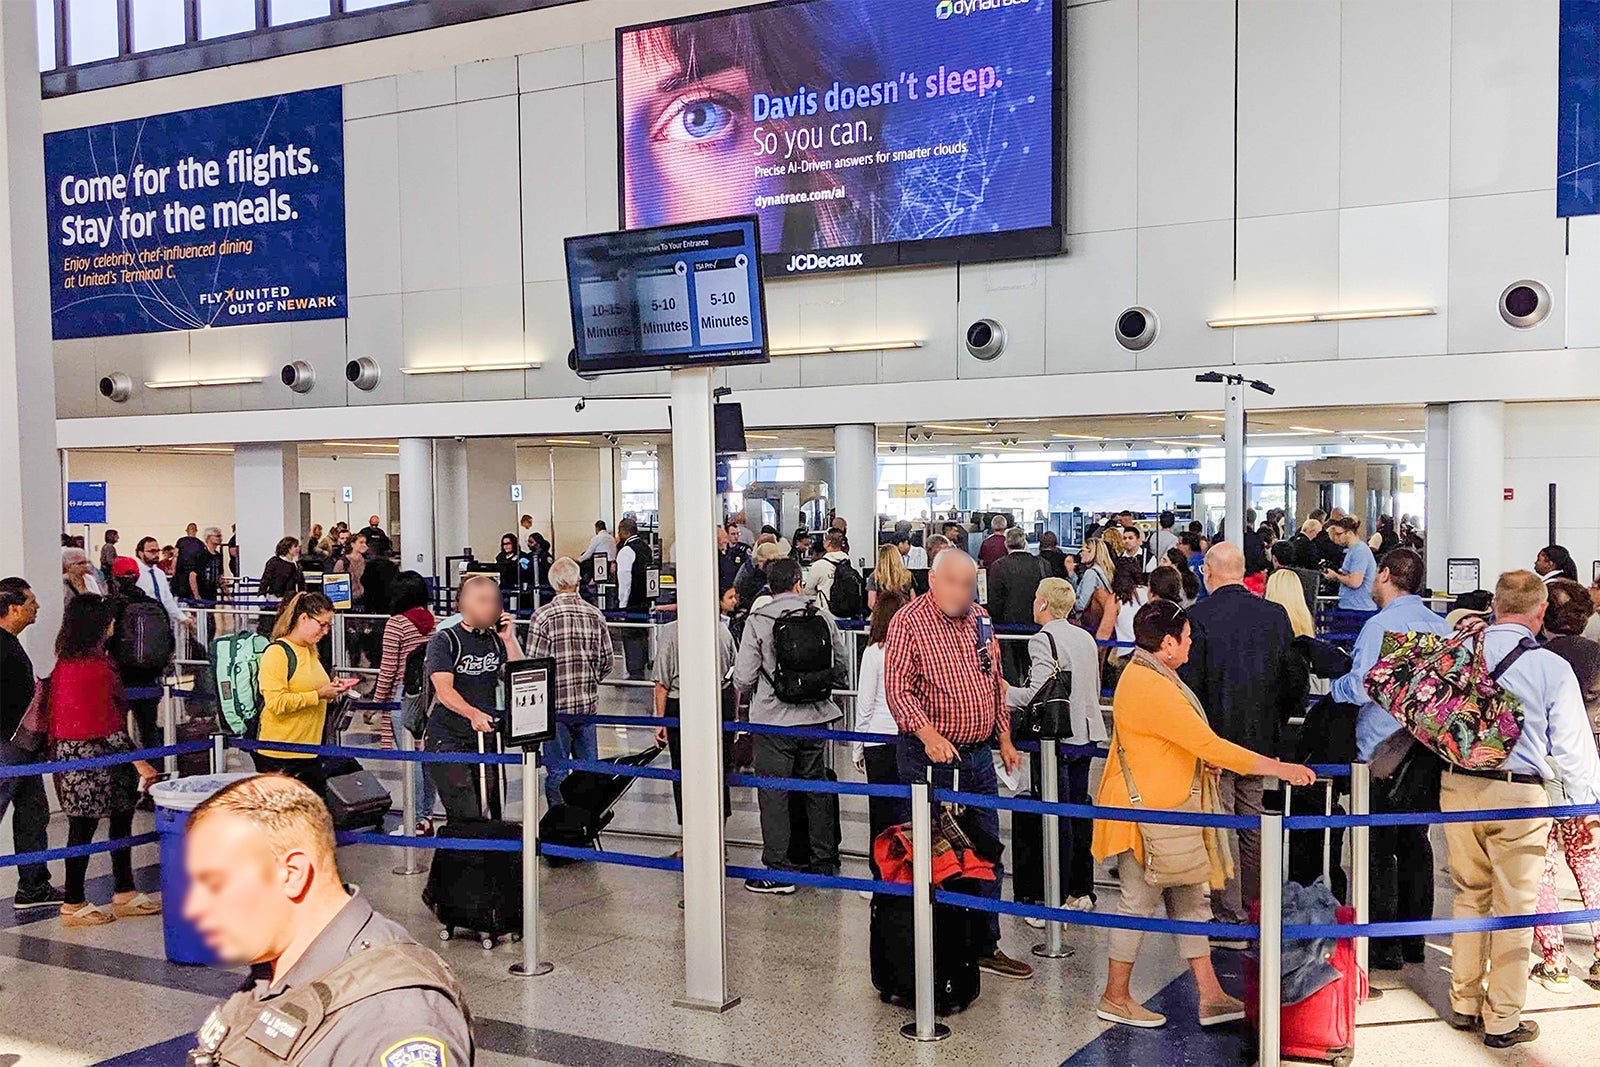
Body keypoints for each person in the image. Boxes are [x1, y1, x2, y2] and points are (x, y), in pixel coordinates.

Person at [1093, 599, 1315, 1028]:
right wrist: (1280, 767)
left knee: (1191, 902)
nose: (1193, 643)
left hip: (1170, 813)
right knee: (1137, 904)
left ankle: (1211, 996)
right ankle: (1114, 997)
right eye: (1188, 636)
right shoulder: (1151, 684)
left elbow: (1176, 742)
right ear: (1169, 643)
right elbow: (1209, 743)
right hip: (1151, 818)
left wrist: (1200, 761)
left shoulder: (1150, 674)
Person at [183, 776, 472, 1066]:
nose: (194, 908)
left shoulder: (391, 1022)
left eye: (214, 883)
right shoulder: (274, 968)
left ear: (292, 873)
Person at [1439, 571, 1600, 1047]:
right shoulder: (1550, 667)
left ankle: (1463, 1003)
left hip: (1457, 786)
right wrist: (1585, 802)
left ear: (1494, 602)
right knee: (1515, 907)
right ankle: (1502, 1019)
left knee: (1469, 895)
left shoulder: (1461, 650)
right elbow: (1572, 748)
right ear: (1539, 611)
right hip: (1519, 795)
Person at [883, 549, 1033, 980]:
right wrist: (928, 734)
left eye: (968, 584)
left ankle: (985, 943)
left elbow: (993, 683)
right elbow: (899, 691)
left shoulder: (982, 620)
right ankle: (935, 950)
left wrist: (1003, 736)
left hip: (978, 758)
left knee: (986, 849)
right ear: (933, 579)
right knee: (934, 857)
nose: (961, 592)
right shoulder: (908, 622)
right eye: (952, 582)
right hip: (927, 761)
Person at [1330, 546, 1450, 969]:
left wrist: (1333, 689)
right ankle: (1415, 937)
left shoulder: (1379, 626)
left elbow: (1364, 687)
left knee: (1377, 848)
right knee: (1417, 843)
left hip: (1380, 754)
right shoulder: (1441, 627)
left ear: (1383, 574)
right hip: (1426, 753)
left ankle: (1384, 944)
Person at [1178, 543, 1301, 931]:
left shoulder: (1197, 617)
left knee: (1222, 827)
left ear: (1209, 572)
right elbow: (1291, 677)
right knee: (1251, 822)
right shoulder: (1274, 615)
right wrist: (1275, 721)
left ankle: (1228, 910)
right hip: (1260, 739)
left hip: (1214, 741)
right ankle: (1256, 904)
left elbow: (1188, 685)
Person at [732, 558, 849, 892]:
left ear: (771, 586)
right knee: (816, 789)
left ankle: (779, 870)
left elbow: (743, 678)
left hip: (773, 721)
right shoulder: (821, 616)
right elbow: (840, 665)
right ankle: (823, 862)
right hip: (815, 718)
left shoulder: (759, 620)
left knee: (774, 793)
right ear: (799, 583)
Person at [47, 593, 163, 927]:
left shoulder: (67, 663)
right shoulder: (93, 668)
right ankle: (73, 900)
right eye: (109, 620)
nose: (114, 625)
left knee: (117, 819)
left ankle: (124, 889)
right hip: (90, 759)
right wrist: (140, 762)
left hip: (83, 756)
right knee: (82, 828)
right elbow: (108, 723)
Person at [1007, 577, 1104, 913]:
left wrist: (1003, 691)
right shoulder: (1085, 638)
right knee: (1079, 811)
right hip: (1087, 732)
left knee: (1055, 814)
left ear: (1044, 604)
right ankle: (1082, 890)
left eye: (1036, 597)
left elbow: (1036, 693)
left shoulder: (1041, 639)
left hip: (1057, 737)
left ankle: (1055, 893)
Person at [1530, 578, 1600, 991]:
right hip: (1591, 774)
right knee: (1589, 862)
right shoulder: (1597, 655)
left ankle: (1554, 959)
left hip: (1545, 775)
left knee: (1542, 864)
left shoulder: (1537, 659)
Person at [425, 574, 523, 823]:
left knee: (489, 807)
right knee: (465, 812)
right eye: (481, 600)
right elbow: (444, 690)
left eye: (493, 600)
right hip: (448, 737)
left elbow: (520, 677)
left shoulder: (494, 639)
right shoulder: (444, 640)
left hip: (485, 738)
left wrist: (509, 640)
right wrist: (472, 713)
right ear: (462, 604)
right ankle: (458, 859)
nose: (489, 606)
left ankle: (483, 859)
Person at [526, 558, 613, 807]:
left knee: (557, 772)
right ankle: (585, 823)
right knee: (589, 772)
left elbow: (534, 665)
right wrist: (591, 680)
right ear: (578, 581)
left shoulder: (541, 617)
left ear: (552, 583)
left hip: (555, 709)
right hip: (587, 707)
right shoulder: (595, 614)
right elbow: (607, 660)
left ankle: (559, 827)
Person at [255, 593, 358, 798]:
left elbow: (313, 688)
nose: (326, 631)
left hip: (309, 750)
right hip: (280, 754)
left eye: (329, 626)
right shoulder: (277, 653)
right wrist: (319, 694)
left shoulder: (311, 650)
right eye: (322, 624)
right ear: (303, 618)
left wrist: (331, 690)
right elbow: (276, 702)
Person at [653, 587, 739, 824]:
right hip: (718, 704)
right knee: (718, 769)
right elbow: (735, 677)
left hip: (681, 706)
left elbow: (662, 683)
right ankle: (718, 830)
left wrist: (660, 722)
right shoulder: (722, 632)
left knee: (683, 769)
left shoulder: (671, 633)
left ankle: (688, 836)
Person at [0, 578, 61, 911]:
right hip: (7, 746)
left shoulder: (11, 643)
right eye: (31, 602)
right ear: (14, 608)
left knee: (32, 813)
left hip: (23, 746)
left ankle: (34, 886)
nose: (37, 606)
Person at [371, 571, 438, 833]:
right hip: (431, 696)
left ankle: (414, 819)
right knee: (426, 759)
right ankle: (426, 815)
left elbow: (388, 669)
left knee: (410, 762)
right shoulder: (435, 622)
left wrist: (377, 703)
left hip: (403, 696)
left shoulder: (396, 624)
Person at [853, 589, 909, 881]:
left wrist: (857, 746)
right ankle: (907, 871)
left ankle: (880, 874)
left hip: (878, 738)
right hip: (908, 739)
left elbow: (865, 704)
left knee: (880, 813)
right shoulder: (915, 650)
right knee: (906, 813)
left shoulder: (873, 653)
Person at [987, 526, 1048, 683]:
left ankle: (1014, 704)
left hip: (1007, 628)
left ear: (1006, 544)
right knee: (1034, 669)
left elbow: (995, 601)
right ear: (1025, 542)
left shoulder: (998, 566)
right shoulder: (1042, 564)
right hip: (1037, 626)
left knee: (1010, 671)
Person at [615, 516, 653, 678]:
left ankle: (634, 672)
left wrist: (622, 605)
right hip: (644, 600)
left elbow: (624, 580)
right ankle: (641, 666)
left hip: (631, 602)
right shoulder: (646, 548)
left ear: (623, 531)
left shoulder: (626, 551)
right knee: (642, 634)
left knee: (630, 636)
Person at [1324, 516, 1378, 614]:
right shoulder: (1352, 550)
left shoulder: (1360, 551)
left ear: (1349, 533)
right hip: (1352, 606)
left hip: (1359, 609)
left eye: (1339, 534)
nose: (1335, 537)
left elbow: (1355, 582)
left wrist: (1336, 576)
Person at [803, 529, 852, 611]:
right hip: (845, 612)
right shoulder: (847, 563)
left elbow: (808, 590)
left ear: (828, 542)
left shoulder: (819, 565)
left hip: (824, 612)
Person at [865, 541, 912, 611]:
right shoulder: (907, 575)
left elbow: (871, 603)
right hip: (902, 614)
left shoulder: (875, 576)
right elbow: (913, 600)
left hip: (882, 617)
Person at [259, 536, 304, 603]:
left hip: (291, 599)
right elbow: (266, 579)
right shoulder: (274, 562)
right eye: (295, 546)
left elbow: (300, 582)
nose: (298, 549)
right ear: (288, 548)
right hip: (275, 598)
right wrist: (261, 595)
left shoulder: (297, 565)